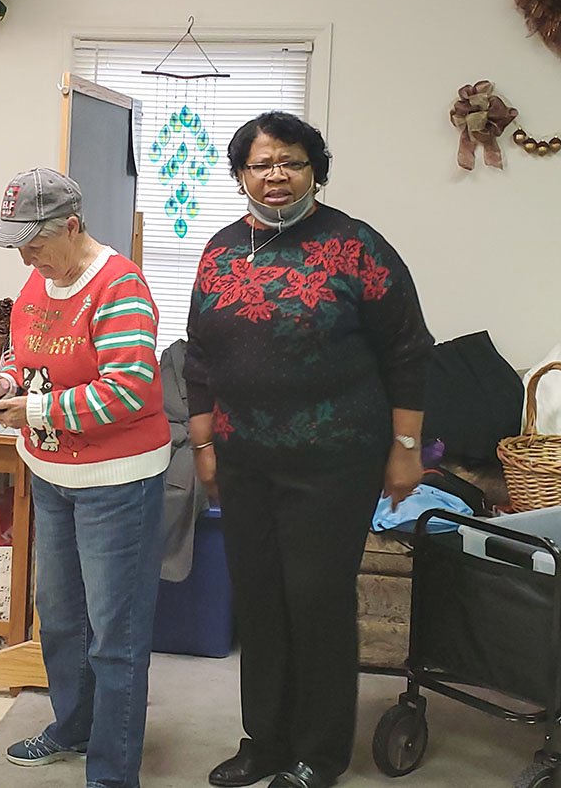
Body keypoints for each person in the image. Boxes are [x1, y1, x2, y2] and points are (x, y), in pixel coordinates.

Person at [184, 112, 434, 788]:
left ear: (314, 169)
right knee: (259, 599)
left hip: (335, 461)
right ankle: (264, 740)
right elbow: (199, 357)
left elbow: (409, 349)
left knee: (316, 599)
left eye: (291, 162)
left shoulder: (356, 246)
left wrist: (405, 445)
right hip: (244, 459)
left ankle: (319, 754)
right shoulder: (221, 250)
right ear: (240, 174)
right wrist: (204, 445)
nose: (276, 176)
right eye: (261, 164)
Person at [0, 167, 171, 788]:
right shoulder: (38, 279)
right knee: (59, 619)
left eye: (34, 242)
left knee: (114, 633)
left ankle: (112, 772)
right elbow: (25, 356)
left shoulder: (119, 285)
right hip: (51, 474)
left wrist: (33, 410)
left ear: (72, 226)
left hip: (117, 482)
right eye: (17, 244)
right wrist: (1, 380)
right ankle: (74, 727)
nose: (25, 256)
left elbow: (128, 389)